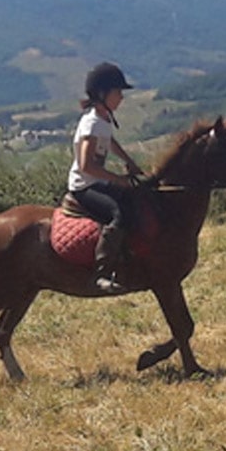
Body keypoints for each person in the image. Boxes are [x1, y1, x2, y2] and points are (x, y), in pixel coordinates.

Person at [67, 63, 143, 293]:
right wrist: (119, 180)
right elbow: (86, 165)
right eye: (117, 92)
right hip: (84, 187)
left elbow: (109, 142)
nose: (121, 97)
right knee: (118, 213)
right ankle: (101, 273)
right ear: (102, 94)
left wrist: (129, 161)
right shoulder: (91, 123)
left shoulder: (103, 120)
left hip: (97, 181)